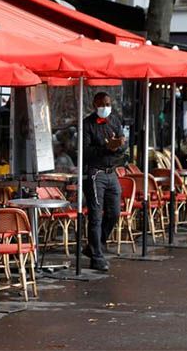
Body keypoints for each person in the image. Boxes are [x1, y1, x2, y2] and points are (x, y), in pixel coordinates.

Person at [82, 92, 127, 271]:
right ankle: (97, 257)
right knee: (95, 214)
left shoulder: (114, 120)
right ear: (95, 104)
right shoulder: (87, 124)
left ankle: (95, 246)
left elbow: (124, 144)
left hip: (112, 172)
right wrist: (105, 148)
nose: (106, 107)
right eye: (103, 104)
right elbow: (85, 151)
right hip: (95, 172)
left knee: (114, 212)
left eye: (108, 104)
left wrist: (120, 145)